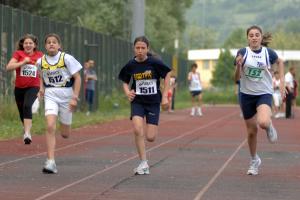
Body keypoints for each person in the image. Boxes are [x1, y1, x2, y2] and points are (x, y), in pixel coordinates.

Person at [234, 25, 285, 176]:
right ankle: (254, 160)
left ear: (261, 38)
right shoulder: (243, 53)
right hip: (246, 95)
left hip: (264, 93)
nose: (254, 37)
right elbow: (236, 78)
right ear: (248, 38)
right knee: (251, 132)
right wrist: (238, 66)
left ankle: (269, 126)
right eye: (251, 35)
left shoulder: (267, 53)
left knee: (262, 122)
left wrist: (282, 83)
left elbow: (280, 62)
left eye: (257, 35)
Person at [118, 36, 171, 175]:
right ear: (134, 49)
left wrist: (165, 96)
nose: (140, 51)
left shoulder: (154, 62)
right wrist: (127, 92)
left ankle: (144, 162)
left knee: (151, 137)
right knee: (137, 128)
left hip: (153, 102)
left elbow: (167, 74)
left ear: (147, 49)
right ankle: (143, 163)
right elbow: (124, 80)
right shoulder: (131, 65)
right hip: (138, 101)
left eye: (143, 48)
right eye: (137, 48)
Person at [36, 33, 82, 174]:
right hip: (51, 95)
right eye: (48, 42)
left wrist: (74, 97)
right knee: (50, 126)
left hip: (67, 94)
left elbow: (78, 78)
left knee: (65, 134)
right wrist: (41, 89)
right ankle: (50, 161)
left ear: (59, 45)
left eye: (54, 42)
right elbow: (41, 76)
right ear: (45, 46)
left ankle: (66, 126)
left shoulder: (66, 58)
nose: (51, 44)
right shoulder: (40, 62)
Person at [6, 34, 43, 144]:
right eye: (26, 43)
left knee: (27, 106)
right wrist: (23, 62)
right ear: (23, 44)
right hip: (19, 88)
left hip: (33, 86)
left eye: (30, 43)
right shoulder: (18, 54)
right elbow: (8, 67)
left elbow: (43, 72)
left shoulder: (40, 55)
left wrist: (42, 88)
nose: (28, 45)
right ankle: (26, 128)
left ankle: (27, 134)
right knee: (22, 111)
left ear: (34, 45)